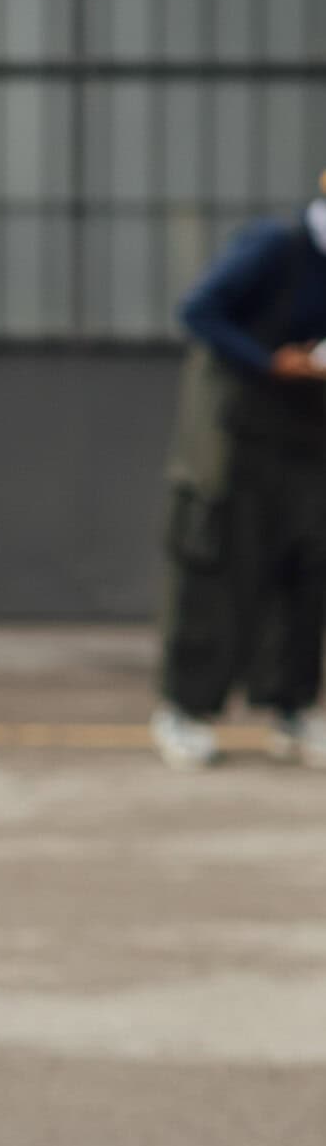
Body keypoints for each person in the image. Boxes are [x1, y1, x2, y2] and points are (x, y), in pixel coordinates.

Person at [153, 178, 326, 770]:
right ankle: (185, 710)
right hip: (237, 435)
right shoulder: (277, 246)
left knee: (306, 569)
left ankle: (291, 710)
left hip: (307, 438)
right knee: (220, 569)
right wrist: (269, 361)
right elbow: (198, 310)